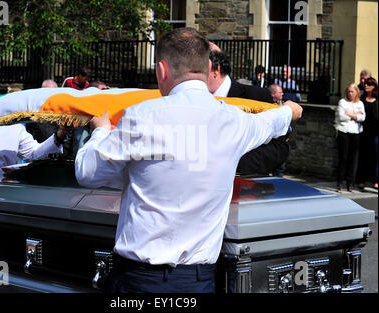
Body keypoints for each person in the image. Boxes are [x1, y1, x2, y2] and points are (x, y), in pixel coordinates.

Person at [75, 27, 302, 293]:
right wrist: (289, 110)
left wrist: (100, 130)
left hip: (140, 279)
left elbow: (87, 172)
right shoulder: (234, 120)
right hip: (199, 280)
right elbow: (273, 121)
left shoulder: (142, 116)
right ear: (208, 66)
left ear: (161, 70)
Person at [208, 42, 292, 176]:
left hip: (247, 187)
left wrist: (228, 164)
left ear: (215, 69)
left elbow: (279, 148)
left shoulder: (257, 96)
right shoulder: (184, 100)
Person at [335, 83, 365, 192]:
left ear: (356, 92)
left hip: (355, 132)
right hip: (344, 131)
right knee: (343, 158)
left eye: (352, 91)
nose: (350, 93)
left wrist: (350, 114)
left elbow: (362, 117)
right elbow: (341, 117)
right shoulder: (342, 102)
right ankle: (339, 183)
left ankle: (350, 184)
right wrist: (355, 115)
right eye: (348, 91)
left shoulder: (360, 103)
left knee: (352, 159)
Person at [357, 77, 378, 190]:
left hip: (374, 132)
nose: (366, 86)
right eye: (365, 84)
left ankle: (375, 180)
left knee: (374, 157)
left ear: (374, 86)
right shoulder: (362, 99)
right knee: (363, 157)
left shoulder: (377, 100)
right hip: (363, 132)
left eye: (369, 84)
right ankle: (361, 180)